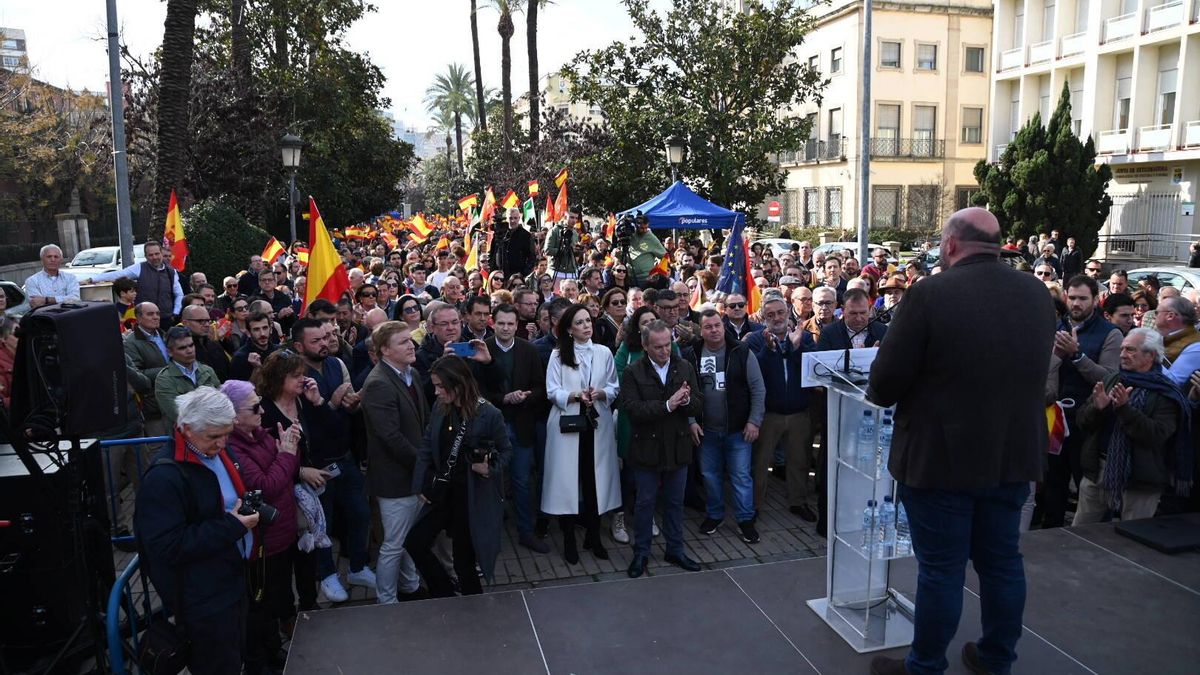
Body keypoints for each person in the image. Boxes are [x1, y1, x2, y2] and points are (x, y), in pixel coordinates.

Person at [866, 208, 1055, 675]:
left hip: (940, 462)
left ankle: (925, 667)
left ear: (950, 245)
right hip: (1011, 457)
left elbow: (886, 382)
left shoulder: (930, 294)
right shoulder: (1035, 292)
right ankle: (996, 660)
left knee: (941, 571)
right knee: (1002, 563)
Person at [135, 387, 259, 675]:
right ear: (186, 429)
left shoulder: (214, 451)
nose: (223, 443)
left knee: (234, 654)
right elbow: (167, 546)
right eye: (214, 437)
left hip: (230, 579)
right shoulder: (164, 479)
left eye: (227, 434)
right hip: (203, 598)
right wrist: (232, 526)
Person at [405, 356, 511, 597]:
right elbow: (425, 448)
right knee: (415, 542)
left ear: (459, 384)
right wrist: (420, 485)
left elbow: (506, 452)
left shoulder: (489, 413)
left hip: (470, 499)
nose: (437, 392)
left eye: (441, 386)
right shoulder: (440, 408)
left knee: (464, 563)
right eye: (435, 386)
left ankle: (473, 611)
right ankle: (444, 592)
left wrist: (489, 468)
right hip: (442, 493)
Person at [222, 380, 301, 675]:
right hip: (261, 543)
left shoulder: (260, 435)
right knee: (258, 607)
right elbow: (266, 486)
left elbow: (284, 475)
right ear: (233, 414)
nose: (262, 411)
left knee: (274, 602)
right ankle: (257, 664)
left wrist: (285, 454)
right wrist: (285, 455)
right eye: (254, 407)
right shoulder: (233, 448)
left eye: (261, 404)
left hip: (280, 535)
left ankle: (272, 651)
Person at [1072, 328, 1189, 525]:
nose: (1122, 355)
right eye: (1122, 349)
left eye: (1130, 350)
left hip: (1140, 480)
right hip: (1099, 469)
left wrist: (1125, 410)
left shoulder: (1165, 392)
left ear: (1150, 355)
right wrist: (1098, 409)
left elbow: (1157, 435)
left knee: (1134, 541)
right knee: (1079, 533)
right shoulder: (1112, 379)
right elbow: (1082, 421)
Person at [618, 319, 704, 577]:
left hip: (678, 447)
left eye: (668, 345)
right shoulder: (634, 371)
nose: (665, 351)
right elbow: (632, 409)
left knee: (675, 503)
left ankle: (675, 549)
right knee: (645, 503)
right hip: (647, 448)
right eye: (658, 347)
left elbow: (698, 404)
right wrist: (667, 405)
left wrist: (687, 401)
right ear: (645, 346)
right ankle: (641, 553)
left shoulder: (684, 366)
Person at [542, 303, 621, 563]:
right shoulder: (557, 355)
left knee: (595, 480)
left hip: (597, 424)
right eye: (579, 322)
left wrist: (600, 394)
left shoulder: (603, 352)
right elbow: (552, 391)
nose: (586, 326)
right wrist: (575, 395)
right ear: (568, 329)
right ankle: (568, 540)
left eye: (588, 321)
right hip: (567, 424)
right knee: (568, 482)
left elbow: (613, 386)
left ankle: (594, 535)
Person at [1044, 275, 1122, 528]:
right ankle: (1050, 537)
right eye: (1072, 297)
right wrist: (1057, 356)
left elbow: (1109, 378)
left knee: (1088, 488)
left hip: (1089, 423)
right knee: (1053, 485)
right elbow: (1042, 372)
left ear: (1096, 299)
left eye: (1082, 299)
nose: (1076, 303)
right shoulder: (1055, 327)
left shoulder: (1110, 334)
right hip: (1055, 418)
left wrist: (1077, 356)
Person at [360, 322, 429, 603]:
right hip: (395, 479)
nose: (411, 345)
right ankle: (387, 601)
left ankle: (410, 586)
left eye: (410, 340)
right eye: (403, 342)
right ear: (385, 351)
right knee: (393, 545)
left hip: (412, 475)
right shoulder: (378, 383)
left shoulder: (410, 373)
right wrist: (425, 464)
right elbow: (390, 437)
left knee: (408, 538)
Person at [254, 349, 327, 613]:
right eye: (295, 376)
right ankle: (287, 614)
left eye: (303, 375)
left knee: (308, 552)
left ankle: (310, 602)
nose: (302, 380)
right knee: (285, 556)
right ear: (278, 378)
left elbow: (329, 433)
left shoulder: (303, 400)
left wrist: (318, 403)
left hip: (310, 490)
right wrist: (299, 472)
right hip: (283, 492)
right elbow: (264, 457)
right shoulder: (263, 410)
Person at [475, 304, 550, 554]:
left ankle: (526, 532)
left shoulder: (528, 349)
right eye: (501, 323)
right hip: (493, 427)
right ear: (492, 323)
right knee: (492, 483)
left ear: (517, 324)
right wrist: (504, 399)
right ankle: (489, 536)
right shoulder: (483, 349)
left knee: (521, 482)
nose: (506, 328)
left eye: (511, 323)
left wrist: (525, 396)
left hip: (522, 424)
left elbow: (541, 387)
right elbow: (478, 392)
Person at [690, 309, 766, 544]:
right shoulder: (691, 354)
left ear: (723, 327)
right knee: (710, 476)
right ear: (700, 330)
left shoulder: (741, 352)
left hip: (737, 429)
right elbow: (685, 391)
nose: (713, 330)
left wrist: (754, 421)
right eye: (708, 327)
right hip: (706, 430)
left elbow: (758, 389)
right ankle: (715, 515)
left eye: (717, 326)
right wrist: (691, 421)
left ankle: (745, 520)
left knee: (741, 476)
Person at [745, 297, 817, 521]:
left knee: (799, 460)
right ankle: (754, 505)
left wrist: (795, 347)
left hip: (799, 413)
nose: (776, 318)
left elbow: (810, 370)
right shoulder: (756, 339)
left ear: (788, 313)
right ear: (763, 317)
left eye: (780, 313)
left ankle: (798, 501)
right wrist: (768, 350)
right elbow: (753, 372)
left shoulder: (804, 337)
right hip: (769, 414)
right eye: (770, 315)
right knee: (760, 462)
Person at [86, 240, 182, 319]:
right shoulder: (139, 268)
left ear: (161, 253)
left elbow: (179, 294)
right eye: (151, 255)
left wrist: (175, 313)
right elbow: (118, 274)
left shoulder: (171, 272)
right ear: (145, 256)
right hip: (144, 319)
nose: (154, 257)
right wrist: (91, 279)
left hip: (166, 318)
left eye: (157, 254)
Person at [155, 326, 222, 425]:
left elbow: (221, 403)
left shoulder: (207, 370)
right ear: (169, 352)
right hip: (183, 436)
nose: (189, 351)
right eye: (182, 348)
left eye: (191, 345)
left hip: (214, 430)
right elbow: (180, 415)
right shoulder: (164, 379)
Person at [1154, 296, 1200, 387]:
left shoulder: (1196, 345)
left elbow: (1174, 382)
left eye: (1156, 312)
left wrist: (1148, 356)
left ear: (1170, 316)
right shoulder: (1161, 337)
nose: (1153, 316)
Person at [181, 304, 231, 382]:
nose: (207, 325)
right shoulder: (182, 349)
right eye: (201, 321)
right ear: (185, 323)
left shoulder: (215, 345)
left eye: (208, 321)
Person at [25, 244, 81, 309]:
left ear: (61, 260)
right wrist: (65, 299)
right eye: (49, 256)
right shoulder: (32, 281)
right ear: (42, 259)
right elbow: (37, 304)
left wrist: (46, 300)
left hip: (69, 316)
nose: (53, 259)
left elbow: (75, 299)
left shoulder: (70, 278)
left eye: (56, 257)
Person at [490, 207, 537, 278]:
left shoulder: (526, 235)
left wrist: (522, 274)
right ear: (506, 218)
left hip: (517, 276)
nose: (513, 221)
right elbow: (492, 253)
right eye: (510, 218)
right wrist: (492, 271)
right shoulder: (499, 233)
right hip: (499, 276)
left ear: (519, 218)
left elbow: (532, 258)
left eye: (515, 218)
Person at [229, 311, 277, 381]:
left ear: (271, 329)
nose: (262, 334)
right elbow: (238, 389)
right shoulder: (240, 358)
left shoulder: (278, 352)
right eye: (256, 329)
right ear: (248, 333)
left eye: (265, 328)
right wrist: (256, 370)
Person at [628, 214, 668, 286]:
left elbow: (665, 255)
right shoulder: (630, 234)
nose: (644, 230)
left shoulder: (651, 237)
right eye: (642, 228)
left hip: (645, 279)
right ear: (635, 226)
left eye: (646, 227)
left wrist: (658, 272)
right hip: (629, 277)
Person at [545, 214, 580, 287]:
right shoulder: (555, 230)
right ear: (565, 217)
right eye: (572, 217)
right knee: (556, 297)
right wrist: (563, 251)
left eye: (576, 218)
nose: (574, 220)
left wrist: (579, 250)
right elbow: (547, 250)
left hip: (571, 271)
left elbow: (575, 253)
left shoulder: (575, 233)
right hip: (556, 270)